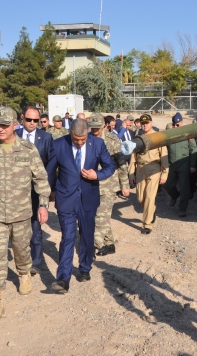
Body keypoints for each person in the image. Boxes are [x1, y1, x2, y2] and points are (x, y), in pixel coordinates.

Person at [0, 106, 51, 321]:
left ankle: (24, 273)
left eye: (5, 125)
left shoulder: (27, 149)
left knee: (21, 249)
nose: (0, 129)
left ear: (15, 125)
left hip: (22, 212)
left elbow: (41, 178)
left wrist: (43, 205)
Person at [46, 118, 115, 292]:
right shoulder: (59, 144)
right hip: (66, 198)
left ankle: (85, 268)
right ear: (71, 133)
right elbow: (50, 171)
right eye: (76, 139)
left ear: (87, 133)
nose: (79, 143)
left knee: (87, 235)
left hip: (88, 198)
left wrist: (97, 175)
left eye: (83, 139)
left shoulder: (97, 144)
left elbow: (110, 166)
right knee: (68, 236)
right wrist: (51, 190)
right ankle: (63, 277)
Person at [16, 107, 54, 276]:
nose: (32, 123)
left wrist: (48, 189)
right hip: (17, 191)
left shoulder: (46, 138)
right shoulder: (14, 135)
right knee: (18, 229)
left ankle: (35, 262)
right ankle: (21, 260)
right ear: (22, 118)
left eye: (36, 120)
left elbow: (51, 164)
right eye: (29, 119)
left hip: (37, 190)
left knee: (35, 227)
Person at [88, 113, 129, 256]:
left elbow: (121, 163)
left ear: (104, 125)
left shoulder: (112, 140)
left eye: (97, 128)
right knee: (101, 216)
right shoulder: (87, 139)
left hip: (109, 186)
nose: (95, 130)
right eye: (92, 128)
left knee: (100, 217)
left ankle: (93, 247)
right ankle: (110, 244)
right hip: (92, 185)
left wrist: (125, 185)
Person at [129, 114, 169, 234]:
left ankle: (147, 224)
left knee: (150, 198)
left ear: (151, 123)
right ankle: (151, 211)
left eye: (147, 123)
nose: (145, 125)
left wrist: (164, 174)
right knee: (140, 198)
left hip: (153, 169)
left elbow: (164, 156)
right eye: (143, 123)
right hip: (140, 170)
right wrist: (131, 174)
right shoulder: (138, 139)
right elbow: (133, 157)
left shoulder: (157, 138)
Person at [165, 113, 197, 217]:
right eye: (174, 124)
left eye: (177, 125)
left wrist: (192, 165)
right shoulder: (169, 135)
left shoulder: (188, 134)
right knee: (168, 185)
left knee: (184, 188)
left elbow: (193, 150)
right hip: (172, 164)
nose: (175, 127)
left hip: (184, 164)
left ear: (182, 123)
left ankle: (182, 208)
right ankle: (175, 195)